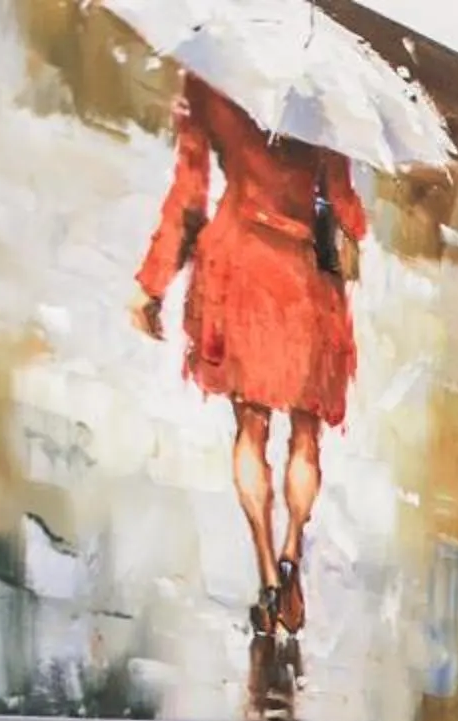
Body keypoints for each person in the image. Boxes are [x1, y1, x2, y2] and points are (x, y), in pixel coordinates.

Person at [133, 74, 366, 638]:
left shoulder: (212, 78)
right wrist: (348, 228)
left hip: (238, 268)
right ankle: (291, 553)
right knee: (305, 437)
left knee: (251, 431)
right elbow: (346, 210)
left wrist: (153, 284)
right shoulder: (323, 91)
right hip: (306, 277)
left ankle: (265, 568)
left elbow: (189, 198)